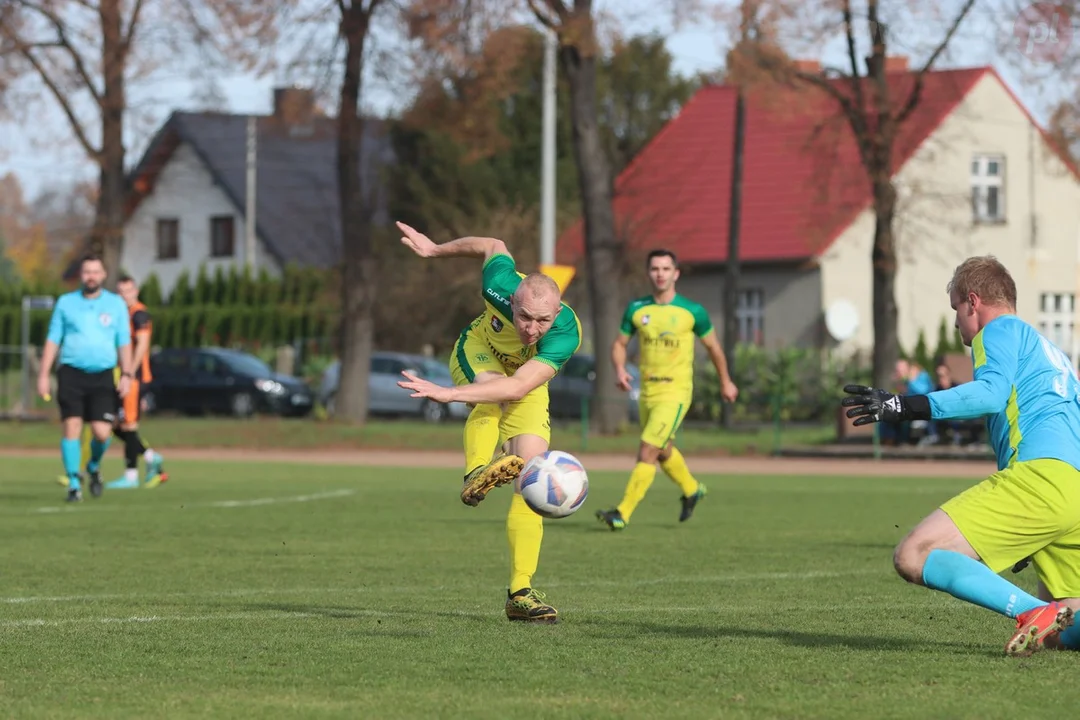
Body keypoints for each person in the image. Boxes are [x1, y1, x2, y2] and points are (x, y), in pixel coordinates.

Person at [842, 255, 1080, 657]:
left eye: (956, 310)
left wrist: (905, 405)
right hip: (1071, 489)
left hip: (1040, 479)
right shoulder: (1053, 354)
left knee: (914, 554)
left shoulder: (999, 330)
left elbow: (989, 394)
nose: (956, 324)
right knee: (1066, 627)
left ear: (973, 302)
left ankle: (1032, 611)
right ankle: (1046, 614)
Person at [394, 221, 582, 625]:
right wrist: (434, 249)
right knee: (491, 390)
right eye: (526, 317)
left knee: (533, 478)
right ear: (511, 302)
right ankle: (476, 470)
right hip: (479, 352)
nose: (533, 329)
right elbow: (492, 243)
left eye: (542, 321)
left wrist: (448, 395)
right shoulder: (498, 284)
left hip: (521, 380)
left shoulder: (565, 333)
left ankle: (520, 593)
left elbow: (520, 387)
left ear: (558, 310)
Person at [595, 249, 738, 531]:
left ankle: (621, 512)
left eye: (665, 268)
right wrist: (620, 370)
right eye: (655, 269)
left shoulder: (692, 312)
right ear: (648, 273)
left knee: (648, 449)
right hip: (647, 392)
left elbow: (714, 348)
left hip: (675, 392)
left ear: (676, 273)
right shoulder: (637, 309)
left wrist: (726, 381)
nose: (660, 274)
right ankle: (692, 489)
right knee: (662, 450)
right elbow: (619, 345)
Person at [38, 253, 133, 502]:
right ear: (81, 275)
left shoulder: (115, 305)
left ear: (103, 275)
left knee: (103, 433)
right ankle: (73, 482)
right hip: (71, 373)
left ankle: (92, 466)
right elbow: (53, 339)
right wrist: (43, 374)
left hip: (102, 375)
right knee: (72, 426)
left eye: (95, 272)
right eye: (86, 272)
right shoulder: (66, 303)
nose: (91, 276)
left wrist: (127, 373)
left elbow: (123, 341)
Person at [105, 275, 168, 489]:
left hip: (135, 377)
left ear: (136, 291)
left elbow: (142, 345)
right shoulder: (122, 315)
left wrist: (129, 372)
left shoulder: (139, 314)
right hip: (122, 375)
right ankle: (150, 457)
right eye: (120, 292)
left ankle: (131, 475)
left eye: (128, 291)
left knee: (128, 425)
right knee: (114, 425)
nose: (125, 295)